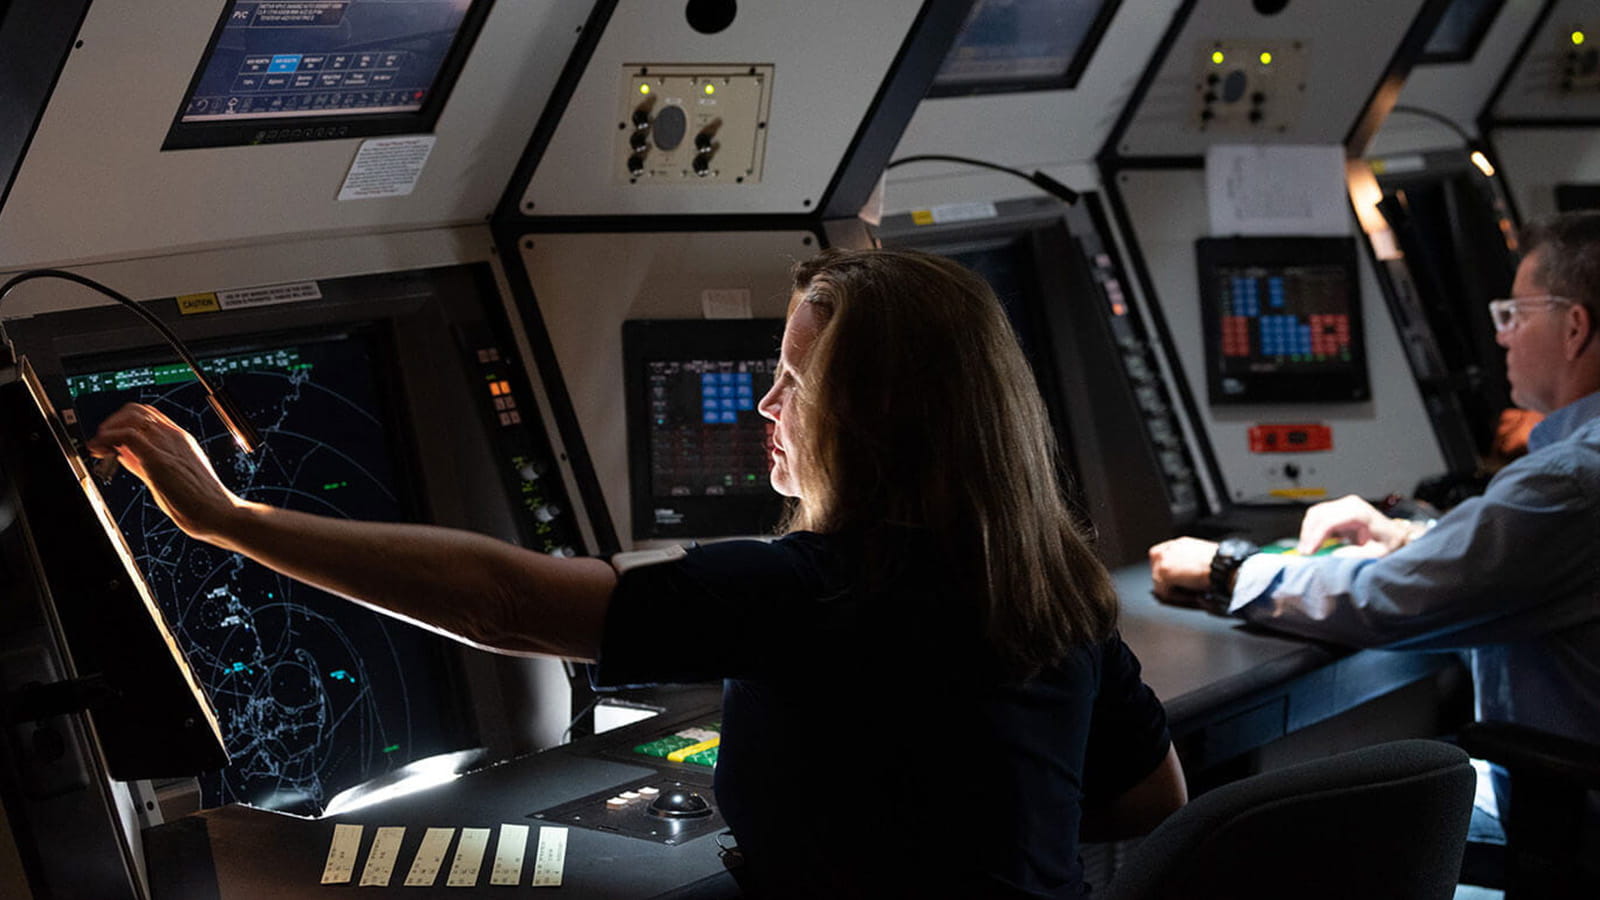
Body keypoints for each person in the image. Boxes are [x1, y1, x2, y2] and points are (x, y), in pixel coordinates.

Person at [90, 248, 1185, 899]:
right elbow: (1149, 797)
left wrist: (227, 521)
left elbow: (505, 603)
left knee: (282, 874)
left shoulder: (806, 591)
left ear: (870, 419)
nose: (768, 409)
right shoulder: (1049, 583)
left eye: (793, 383)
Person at [1147, 212, 1600, 792]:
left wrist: (1227, 568)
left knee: (1291, 833)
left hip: (1566, 816)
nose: (1502, 333)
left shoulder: (1570, 481)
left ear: (1575, 328)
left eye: (1514, 314)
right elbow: (1515, 558)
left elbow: (1387, 601)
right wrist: (1407, 537)